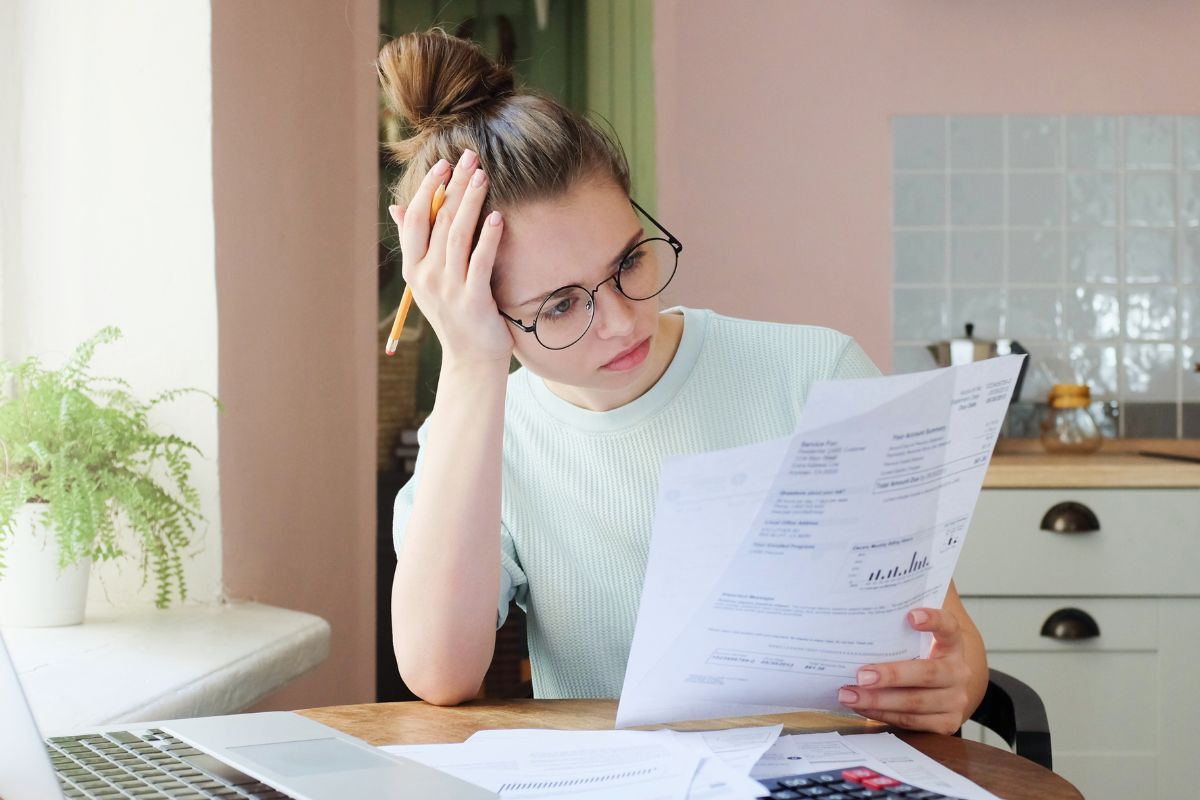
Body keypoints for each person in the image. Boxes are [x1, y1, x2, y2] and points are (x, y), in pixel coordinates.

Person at [379, 29, 986, 736]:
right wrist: (470, 361)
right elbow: (438, 673)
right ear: (481, 309)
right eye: (560, 305)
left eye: (629, 261)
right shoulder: (480, 433)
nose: (621, 321)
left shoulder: (816, 374)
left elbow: (945, 631)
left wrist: (961, 675)